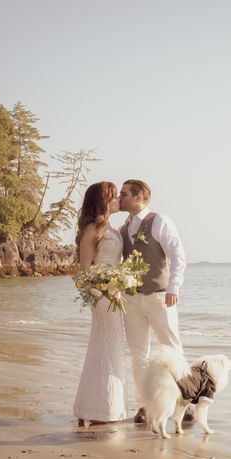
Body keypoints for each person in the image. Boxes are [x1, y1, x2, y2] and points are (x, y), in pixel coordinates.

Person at [118, 179, 186, 423]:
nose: (119, 198)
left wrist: (174, 286)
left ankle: (182, 402)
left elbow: (178, 255)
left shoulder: (160, 221)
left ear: (140, 198)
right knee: (139, 355)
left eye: (124, 194)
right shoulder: (123, 227)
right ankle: (144, 405)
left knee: (172, 348)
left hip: (160, 297)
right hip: (131, 299)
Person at [72, 182, 128, 425]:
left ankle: (99, 408)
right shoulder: (91, 230)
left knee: (110, 350)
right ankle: (101, 411)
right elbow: (85, 271)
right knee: (105, 349)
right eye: (113, 196)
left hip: (116, 294)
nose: (117, 200)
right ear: (103, 201)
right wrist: (102, 292)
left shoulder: (113, 228)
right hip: (103, 298)